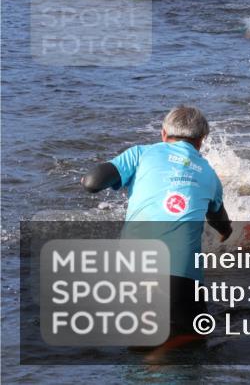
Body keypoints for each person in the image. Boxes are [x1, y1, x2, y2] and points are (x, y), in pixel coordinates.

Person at [81, 106, 232, 340]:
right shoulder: (209, 175)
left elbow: (92, 182)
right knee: (192, 344)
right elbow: (220, 221)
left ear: (163, 134)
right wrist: (225, 234)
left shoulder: (140, 154)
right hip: (181, 278)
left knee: (137, 345)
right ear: (202, 140)